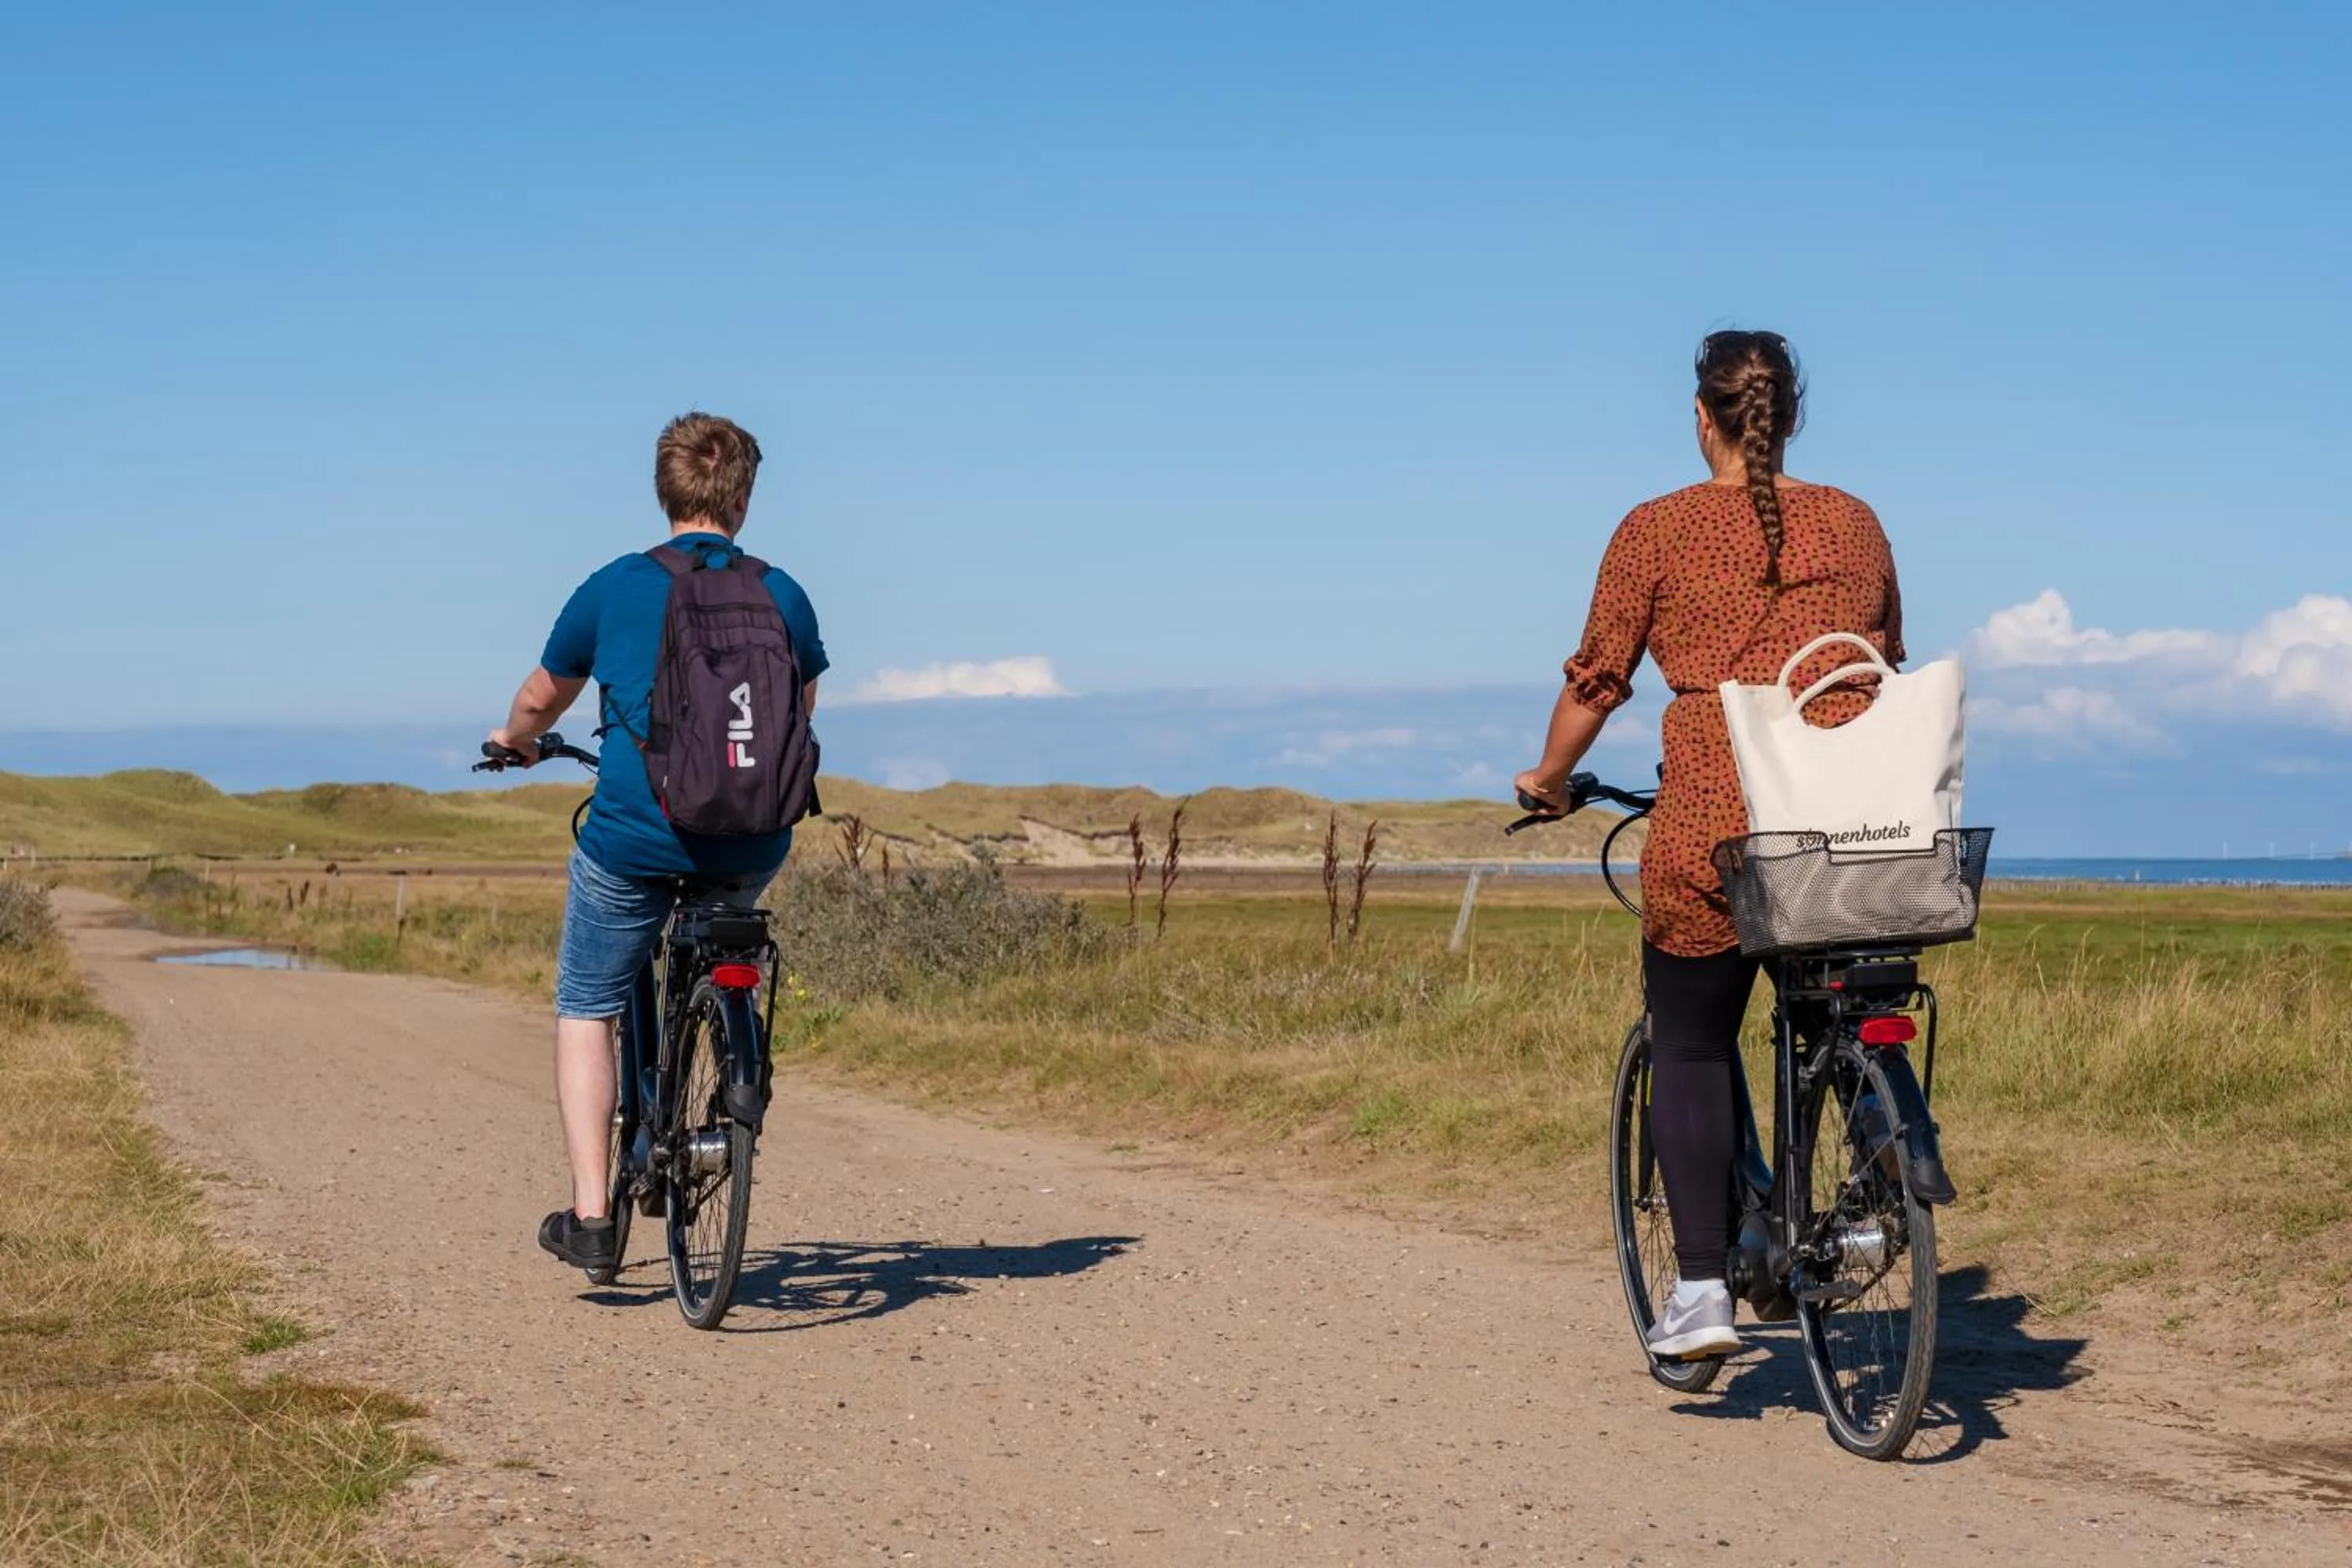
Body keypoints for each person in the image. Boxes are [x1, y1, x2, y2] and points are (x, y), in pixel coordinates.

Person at [1514, 331, 1904, 1359]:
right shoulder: (1855, 520)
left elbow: (1598, 681)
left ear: (1702, 417)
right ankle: (1885, 1144)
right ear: (1792, 414)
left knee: (1690, 1039)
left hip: (1717, 821)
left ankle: (1698, 1295)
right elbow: (1882, 662)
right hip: (1853, 824)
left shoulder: (1657, 528)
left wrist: (1548, 779)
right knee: (1841, 1004)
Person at [487, 412, 828, 1272]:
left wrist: (513, 741)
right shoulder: (783, 594)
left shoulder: (616, 587)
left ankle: (593, 1217)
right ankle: (729, 1039)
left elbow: (540, 698)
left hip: (637, 839)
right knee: (724, 925)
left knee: (587, 1004)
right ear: (743, 499)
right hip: (753, 837)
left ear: (663, 492)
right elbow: (799, 713)